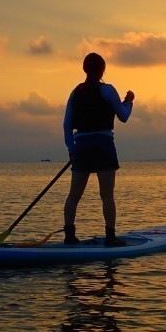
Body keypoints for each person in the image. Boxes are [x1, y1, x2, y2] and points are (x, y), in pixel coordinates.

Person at [62, 52, 134, 246]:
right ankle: (110, 237)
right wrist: (129, 101)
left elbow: (66, 125)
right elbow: (124, 116)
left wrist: (71, 149)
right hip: (103, 145)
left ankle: (69, 236)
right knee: (107, 195)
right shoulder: (108, 91)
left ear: (85, 69)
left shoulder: (75, 93)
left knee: (74, 195)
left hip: (82, 146)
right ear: (103, 70)